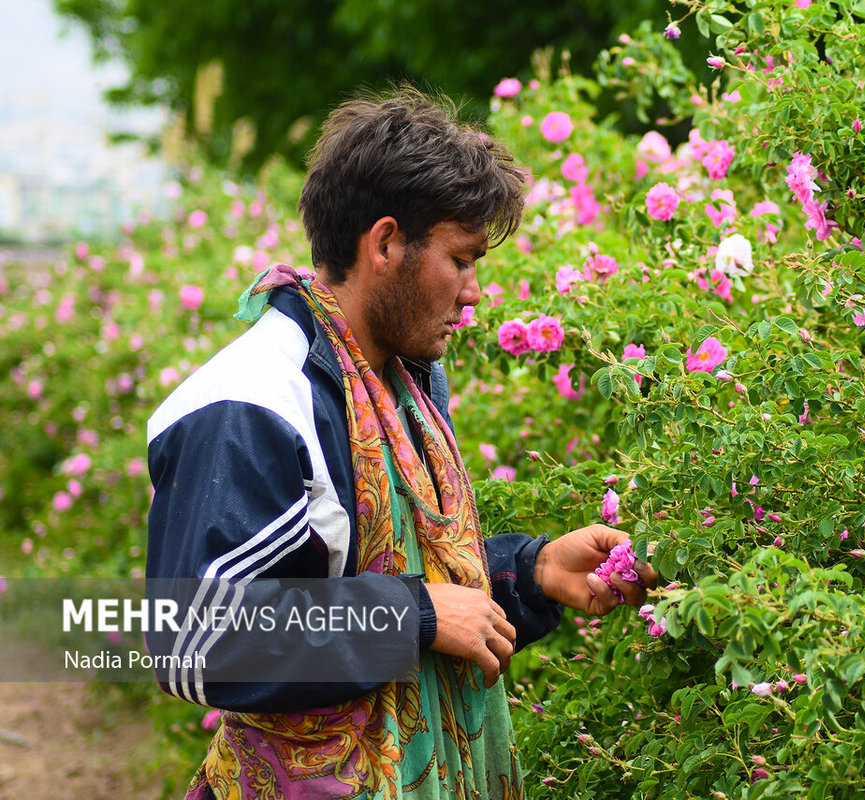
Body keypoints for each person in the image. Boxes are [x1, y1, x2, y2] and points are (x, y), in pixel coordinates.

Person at [145, 85, 656, 800]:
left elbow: (397, 580)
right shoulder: (252, 401)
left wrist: (530, 572)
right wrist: (410, 614)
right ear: (385, 243)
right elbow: (192, 641)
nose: (475, 292)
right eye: (462, 258)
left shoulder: (403, 383)